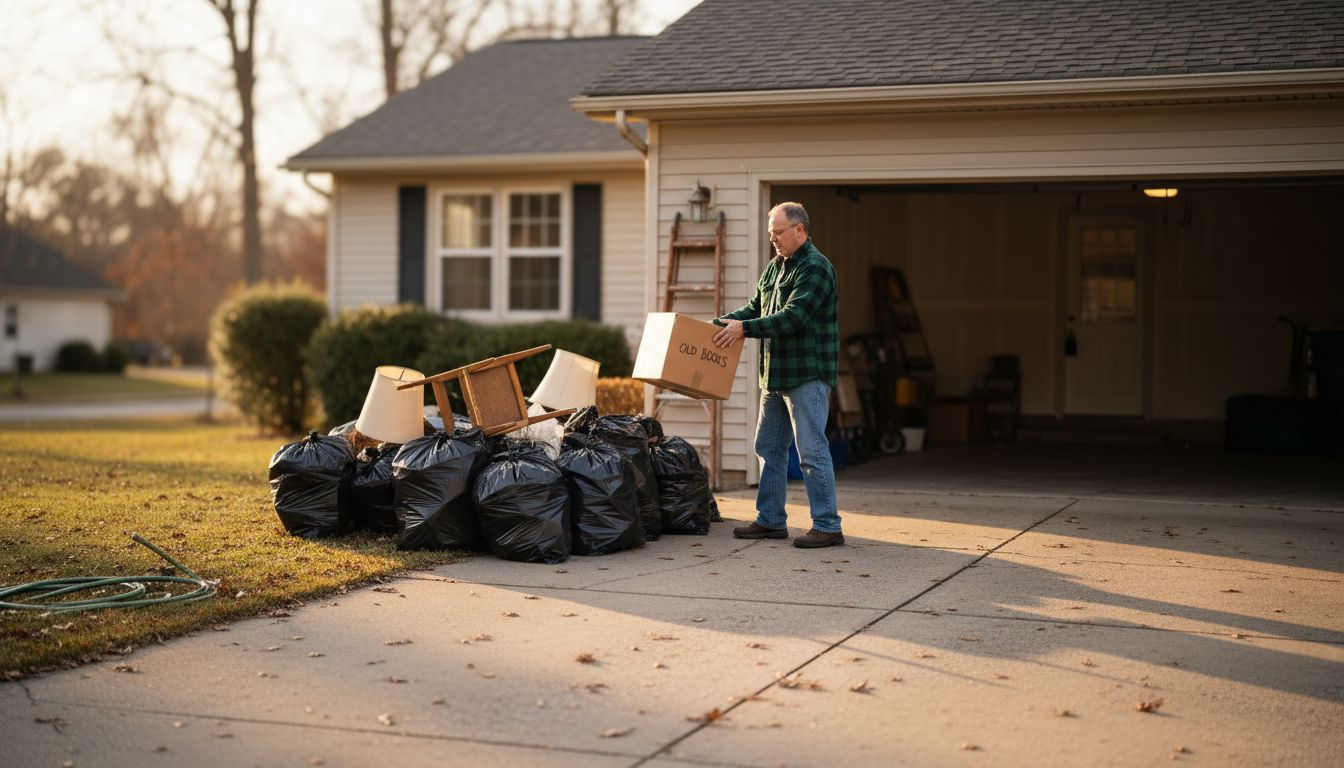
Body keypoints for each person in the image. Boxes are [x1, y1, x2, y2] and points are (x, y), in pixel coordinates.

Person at [712, 201, 842, 548]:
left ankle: (828, 525)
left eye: (777, 233)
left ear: (799, 230)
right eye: (771, 234)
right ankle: (771, 521)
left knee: (811, 451)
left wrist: (744, 329)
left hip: (807, 376)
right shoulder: (775, 267)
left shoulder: (816, 268)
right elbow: (755, 308)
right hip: (775, 376)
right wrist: (720, 323)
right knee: (768, 447)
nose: (773, 240)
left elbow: (793, 317)